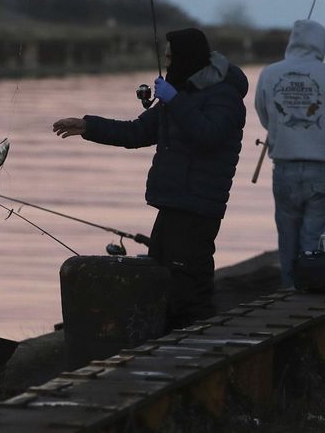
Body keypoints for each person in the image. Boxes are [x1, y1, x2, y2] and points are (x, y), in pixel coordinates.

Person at [52, 28, 247, 330]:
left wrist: (175, 100)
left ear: (187, 58)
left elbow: (210, 135)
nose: (167, 64)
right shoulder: (181, 93)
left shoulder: (224, 95)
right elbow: (137, 132)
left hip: (198, 206)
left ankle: (196, 348)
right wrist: (88, 126)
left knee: (189, 287)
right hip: (173, 202)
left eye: (171, 58)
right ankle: (177, 342)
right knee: (164, 277)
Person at [254, 19, 325, 289]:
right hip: (324, 172)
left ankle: (289, 291)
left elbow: (264, 117)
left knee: (287, 238)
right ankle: (309, 296)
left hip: (284, 169)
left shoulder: (269, 74)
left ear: (292, 42)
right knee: (315, 239)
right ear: (321, 44)